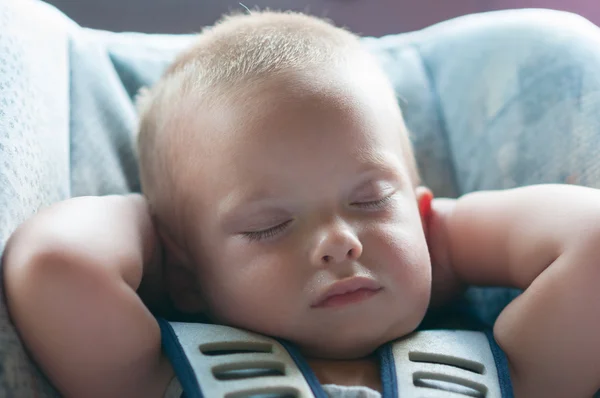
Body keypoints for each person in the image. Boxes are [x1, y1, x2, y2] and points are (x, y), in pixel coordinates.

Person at [3, 10, 600, 398]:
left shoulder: (516, 375)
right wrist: (173, 250)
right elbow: (56, 265)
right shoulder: (160, 381)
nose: (338, 239)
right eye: (270, 225)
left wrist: (431, 237)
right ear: (183, 270)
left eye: (369, 200)